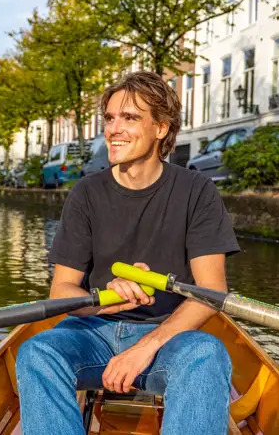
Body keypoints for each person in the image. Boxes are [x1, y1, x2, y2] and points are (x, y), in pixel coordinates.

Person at [15, 71, 241, 435]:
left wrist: (146, 347)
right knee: (37, 352)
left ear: (161, 128)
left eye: (130, 118)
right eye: (109, 118)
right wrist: (103, 302)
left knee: (207, 353)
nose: (113, 129)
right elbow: (61, 292)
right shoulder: (86, 194)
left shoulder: (197, 191)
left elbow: (211, 292)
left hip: (168, 334)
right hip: (92, 332)